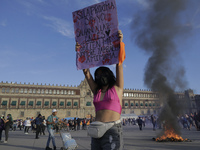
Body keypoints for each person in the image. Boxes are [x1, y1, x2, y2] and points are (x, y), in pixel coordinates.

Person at [76, 30, 125, 150]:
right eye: (97, 74)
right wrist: (79, 51)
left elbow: (119, 64)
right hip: (96, 129)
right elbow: (86, 72)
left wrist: (120, 43)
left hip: (112, 128)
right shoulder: (96, 91)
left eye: (103, 73)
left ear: (109, 74)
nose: (100, 76)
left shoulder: (117, 88)